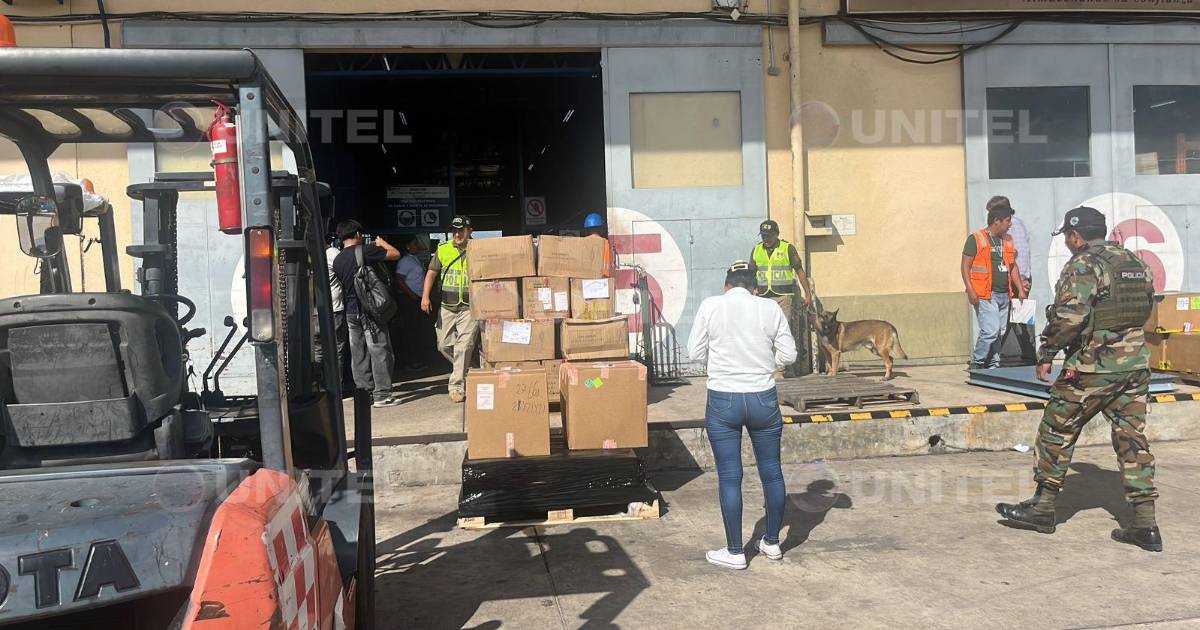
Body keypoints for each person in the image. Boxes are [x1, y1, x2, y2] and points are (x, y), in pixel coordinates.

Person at [996, 206, 1161, 552]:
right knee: (1132, 440)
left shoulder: (1083, 264)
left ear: (1075, 235)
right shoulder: (1133, 262)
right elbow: (1146, 308)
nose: (1069, 243)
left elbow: (1070, 317)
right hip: (1133, 367)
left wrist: (1046, 353)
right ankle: (1145, 525)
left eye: (1068, 237)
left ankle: (1042, 509)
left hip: (1092, 366)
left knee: (1056, 429)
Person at [687, 260, 797, 570]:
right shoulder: (770, 308)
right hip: (763, 399)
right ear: (755, 288)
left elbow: (694, 352)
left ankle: (735, 551)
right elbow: (789, 355)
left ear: (726, 285)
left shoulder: (711, 306)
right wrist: (764, 360)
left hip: (723, 400)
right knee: (772, 472)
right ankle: (773, 543)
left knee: (730, 476)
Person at [331, 220, 402, 408]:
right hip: (369, 311)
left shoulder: (337, 260)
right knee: (379, 350)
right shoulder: (365, 251)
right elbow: (396, 254)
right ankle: (382, 395)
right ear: (357, 234)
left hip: (350, 312)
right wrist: (380, 242)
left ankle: (365, 394)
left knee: (358, 353)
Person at [961, 200, 1027, 370]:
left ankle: (994, 364)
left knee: (1000, 332)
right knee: (990, 331)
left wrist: (1020, 289)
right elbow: (965, 266)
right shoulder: (976, 239)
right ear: (996, 220)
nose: (1010, 224)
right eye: (1007, 220)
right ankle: (978, 361)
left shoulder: (1008, 240)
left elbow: (1012, 266)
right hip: (985, 294)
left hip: (1004, 294)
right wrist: (970, 290)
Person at [422, 215, 478, 403]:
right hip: (447, 306)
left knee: (464, 346)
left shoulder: (478, 250)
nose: (456, 234)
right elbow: (431, 273)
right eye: (454, 231)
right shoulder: (443, 249)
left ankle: (456, 387)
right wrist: (425, 296)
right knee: (444, 345)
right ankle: (469, 369)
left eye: (460, 231)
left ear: (469, 231)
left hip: (470, 307)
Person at [747, 219, 813, 377]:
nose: (766, 239)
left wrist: (808, 293)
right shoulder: (756, 250)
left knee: (782, 332)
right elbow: (751, 274)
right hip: (763, 298)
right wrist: (750, 292)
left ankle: (783, 369)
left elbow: (799, 271)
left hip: (783, 297)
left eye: (769, 236)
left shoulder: (787, 248)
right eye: (763, 236)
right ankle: (767, 366)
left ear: (777, 234)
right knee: (764, 333)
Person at [999, 198, 1037, 365]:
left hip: (1018, 280)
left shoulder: (1014, 227)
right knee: (1009, 320)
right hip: (1015, 280)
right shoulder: (1013, 225)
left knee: (1021, 320)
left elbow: (1019, 255)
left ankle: (1028, 357)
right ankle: (1014, 356)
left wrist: (1022, 282)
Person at [393, 236, 434, 370]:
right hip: (411, 299)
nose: (417, 246)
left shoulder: (414, 258)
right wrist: (412, 295)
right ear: (408, 246)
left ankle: (417, 358)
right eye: (414, 243)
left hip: (417, 298)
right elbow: (399, 279)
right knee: (412, 330)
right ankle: (412, 361)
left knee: (418, 329)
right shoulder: (405, 261)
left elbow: (424, 247)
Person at [323, 240, 352, 389]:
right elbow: (347, 275)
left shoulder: (304, 253)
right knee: (337, 349)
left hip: (314, 311)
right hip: (335, 309)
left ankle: (322, 387)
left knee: (318, 350)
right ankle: (336, 388)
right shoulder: (333, 254)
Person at [583, 212, 618, 277]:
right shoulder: (608, 244)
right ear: (601, 228)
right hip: (605, 280)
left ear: (586, 229)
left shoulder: (581, 244)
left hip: (586, 280)